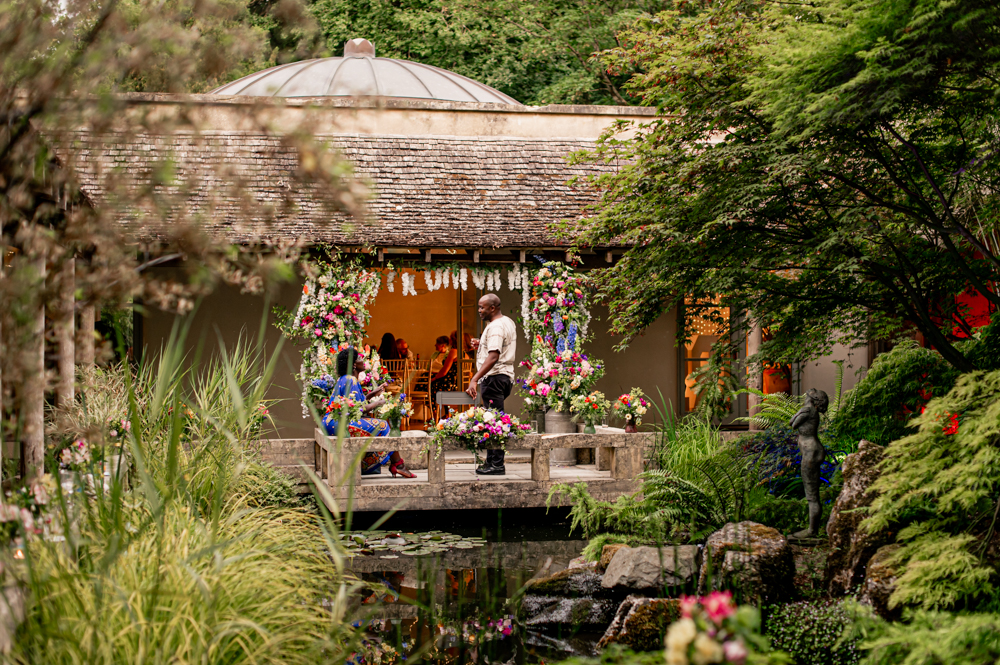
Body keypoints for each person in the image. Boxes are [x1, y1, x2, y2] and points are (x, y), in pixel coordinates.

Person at [322, 347, 415, 478]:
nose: (363, 360)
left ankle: (397, 465)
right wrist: (378, 403)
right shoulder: (351, 380)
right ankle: (392, 465)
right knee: (383, 426)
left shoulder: (346, 378)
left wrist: (372, 394)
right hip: (339, 424)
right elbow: (358, 409)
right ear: (354, 364)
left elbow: (355, 404)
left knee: (379, 425)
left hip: (331, 422)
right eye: (360, 358)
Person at [466, 293, 517, 475]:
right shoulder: (507, 322)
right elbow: (500, 348)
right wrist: (481, 344)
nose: (479, 311)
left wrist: (474, 379)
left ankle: (497, 464)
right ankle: (491, 462)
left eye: (482, 307)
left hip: (494, 378)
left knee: (494, 421)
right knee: (493, 419)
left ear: (492, 308)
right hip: (504, 378)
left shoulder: (495, 327)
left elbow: (494, 356)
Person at [430, 335, 460, 405]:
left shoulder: (453, 351)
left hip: (450, 382)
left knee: (429, 385)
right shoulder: (463, 352)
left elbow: (444, 372)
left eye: (450, 338)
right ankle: (443, 412)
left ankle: (434, 411)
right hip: (454, 380)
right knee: (426, 381)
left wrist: (434, 378)